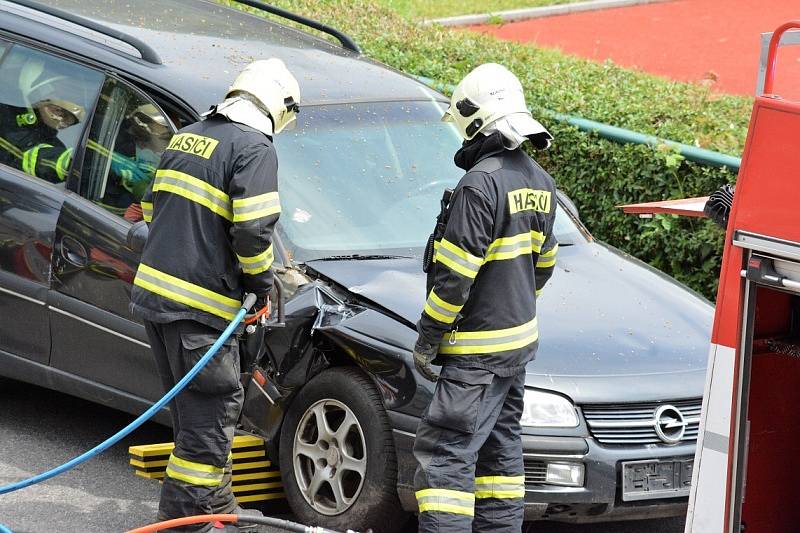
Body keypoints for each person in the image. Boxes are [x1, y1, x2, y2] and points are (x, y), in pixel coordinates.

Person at [129, 58, 300, 532]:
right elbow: (253, 230)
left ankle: (217, 510)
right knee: (210, 421)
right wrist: (260, 285)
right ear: (278, 108)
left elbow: (149, 207)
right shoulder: (254, 147)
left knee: (195, 419)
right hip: (203, 311)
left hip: (158, 305)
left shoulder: (189, 135)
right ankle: (190, 525)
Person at [412, 63, 559, 533]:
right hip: (515, 351)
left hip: (474, 355)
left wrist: (429, 338)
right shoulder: (539, 181)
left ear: (477, 121)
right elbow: (545, 265)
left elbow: (453, 279)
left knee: (446, 460)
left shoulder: (480, 184)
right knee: (500, 460)